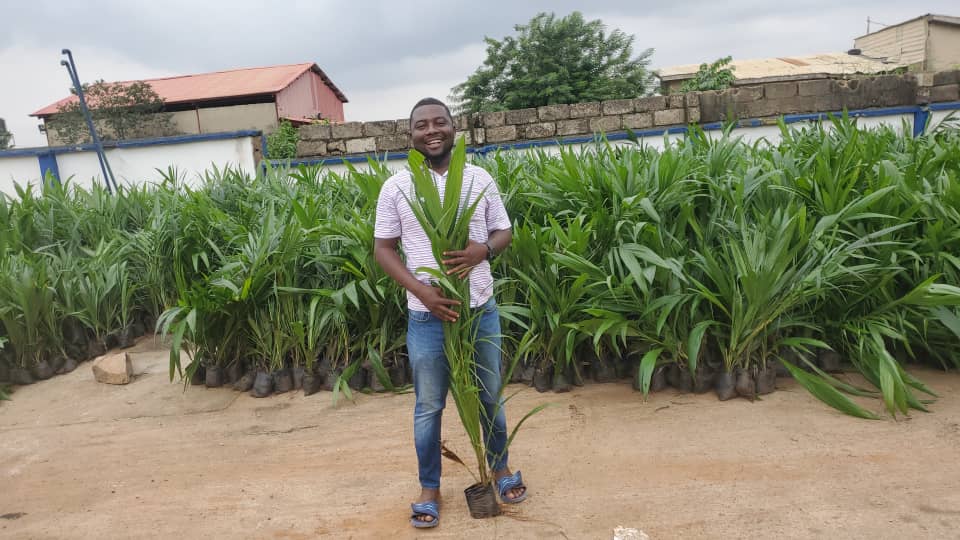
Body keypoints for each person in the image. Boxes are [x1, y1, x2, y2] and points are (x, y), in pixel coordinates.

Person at [373, 97, 527, 528]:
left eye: (440, 121)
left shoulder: (478, 179)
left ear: (453, 128)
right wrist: (422, 292)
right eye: (422, 125)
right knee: (428, 406)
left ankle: (498, 470)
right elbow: (383, 249)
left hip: (480, 310)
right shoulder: (397, 187)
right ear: (411, 135)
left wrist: (484, 250)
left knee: (489, 396)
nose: (432, 130)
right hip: (426, 316)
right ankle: (429, 488)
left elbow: (505, 230)